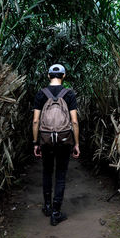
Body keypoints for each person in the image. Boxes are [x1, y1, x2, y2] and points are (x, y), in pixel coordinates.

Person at [32, 64, 80, 226]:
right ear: (64, 76)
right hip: (64, 139)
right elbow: (74, 121)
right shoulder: (69, 94)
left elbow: (36, 121)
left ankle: (47, 207)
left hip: (45, 139)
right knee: (60, 174)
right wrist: (76, 143)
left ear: (48, 76)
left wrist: (35, 142)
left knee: (47, 171)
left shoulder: (41, 94)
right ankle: (56, 212)